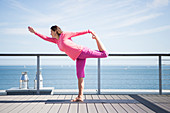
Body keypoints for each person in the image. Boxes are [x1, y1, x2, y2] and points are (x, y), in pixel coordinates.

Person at [28, 25, 108, 102]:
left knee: (104, 54)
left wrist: (88, 31)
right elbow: (45, 38)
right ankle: (80, 96)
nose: (50, 33)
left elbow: (76, 33)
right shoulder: (56, 41)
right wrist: (35, 32)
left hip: (82, 51)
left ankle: (97, 38)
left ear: (55, 31)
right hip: (78, 57)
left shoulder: (64, 35)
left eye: (51, 32)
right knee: (80, 75)